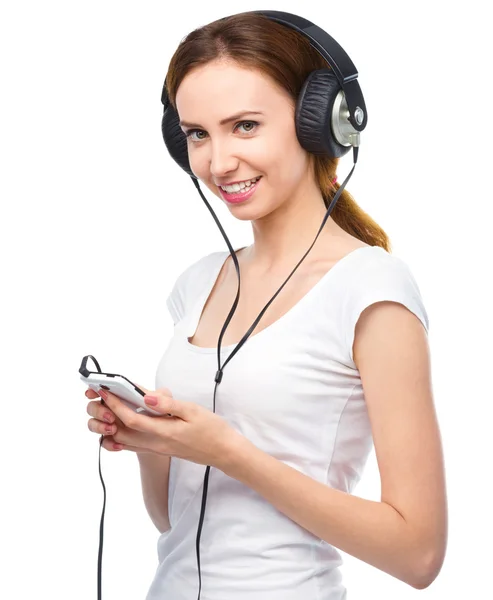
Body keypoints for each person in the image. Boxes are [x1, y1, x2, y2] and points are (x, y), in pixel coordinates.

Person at [85, 12, 447, 599]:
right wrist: (149, 439)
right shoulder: (199, 284)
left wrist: (230, 452)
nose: (218, 162)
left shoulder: (372, 292)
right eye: (198, 134)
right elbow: (172, 520)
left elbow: (419, 554)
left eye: (245, 126)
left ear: (320, 121)